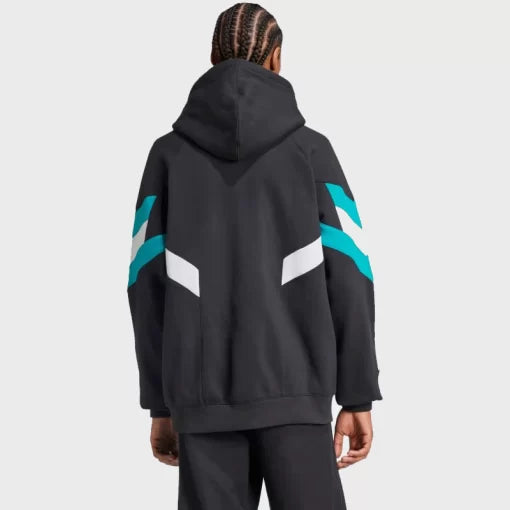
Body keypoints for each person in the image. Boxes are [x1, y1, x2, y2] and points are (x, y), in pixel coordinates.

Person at [127, 3, 382, 509]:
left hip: (201, 402)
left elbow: (145, 283)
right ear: (276, 59)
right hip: (297, 397)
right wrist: (356, 393)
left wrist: (160, 402)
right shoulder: (312, 152)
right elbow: (351, 273)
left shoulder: (168, 157)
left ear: (212, 57)